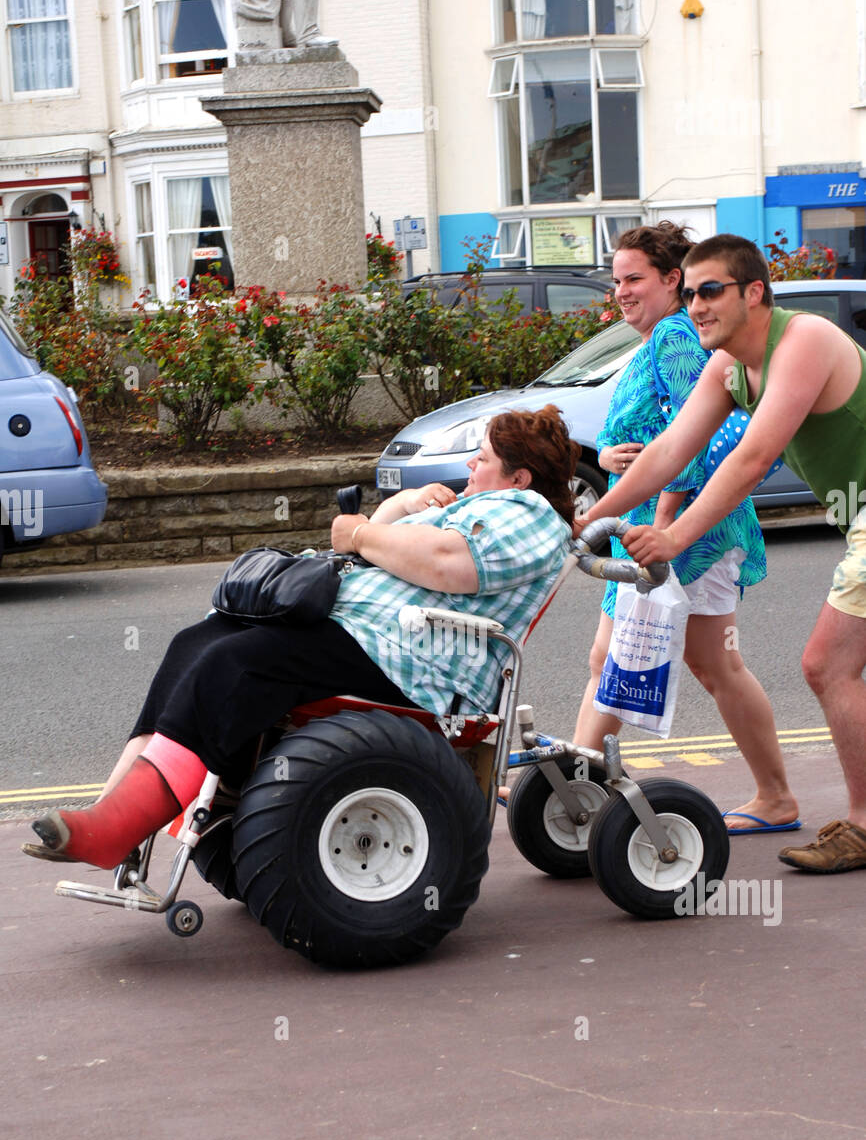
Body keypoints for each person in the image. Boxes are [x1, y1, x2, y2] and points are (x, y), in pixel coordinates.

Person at [23, 405, 576, 870]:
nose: (469, 467)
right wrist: (401, 510)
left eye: (481, 459)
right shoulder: (477, 506)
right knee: (197, 644)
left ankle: (119, 826)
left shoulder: (526, 512)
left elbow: (449, 564)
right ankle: (113, 812)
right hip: (371, 638)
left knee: (237, 663)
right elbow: (371, 555)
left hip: (415, 663)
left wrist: (359, 529)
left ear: (519, 478)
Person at [576, 231, 866, 873]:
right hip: (860, 520)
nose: (698, 305)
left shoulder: (805, 342)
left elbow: (750, 457)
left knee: (825, 663)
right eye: (692, 291)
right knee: (827, 665)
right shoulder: (728, 366)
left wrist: (673, 535)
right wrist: (588, 516)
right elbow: (670, 451)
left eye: (711, 290)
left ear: (754, 292)